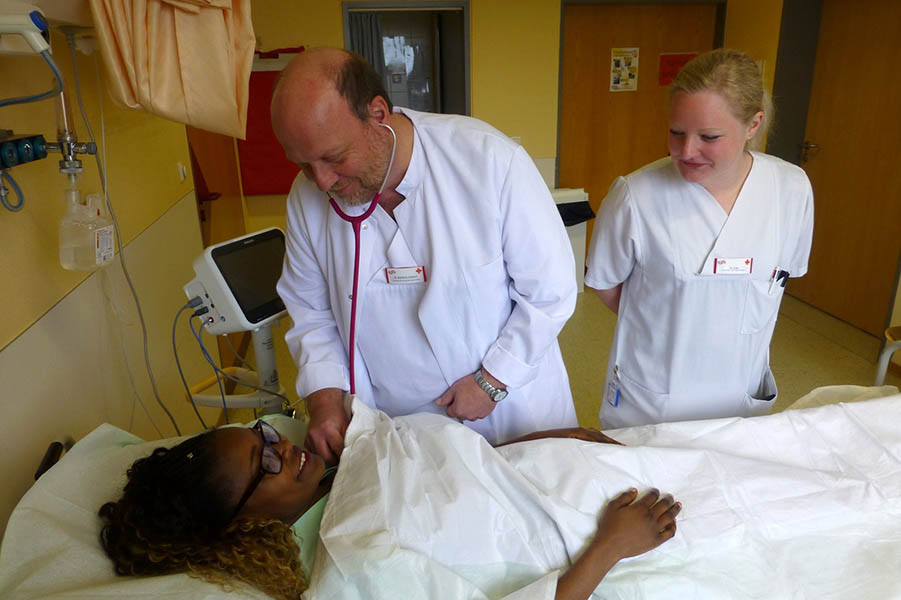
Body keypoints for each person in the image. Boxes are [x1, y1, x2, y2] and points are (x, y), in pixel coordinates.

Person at [271, 48, 579, 457]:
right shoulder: (306, 199)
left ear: (378, 113)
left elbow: (550, 293)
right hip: (402, 432)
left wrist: (493, 380)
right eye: (304, 164)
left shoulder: (487, 160)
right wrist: (325, 401)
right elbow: (312, 312)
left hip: (511, 413)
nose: (322, 181)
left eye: (334, 158)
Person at [99, 419, 681, 600]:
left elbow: (455, 467)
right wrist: (612, 545)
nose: (284, 448)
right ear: (244, 522)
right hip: (614, 539)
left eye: (264, 435)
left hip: (566, 472)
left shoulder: (347, 462)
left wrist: (553, 437)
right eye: (266, 464)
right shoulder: (352, 562)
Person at [585, 49, 814, 429]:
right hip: (655, 396)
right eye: (676, 132)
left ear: (753, 125)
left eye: (708, 136)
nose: (686, 151)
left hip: (739, 396)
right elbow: (607, 286)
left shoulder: (790, 189)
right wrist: (667, 319)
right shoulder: (637, 195)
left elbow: (779, 279)